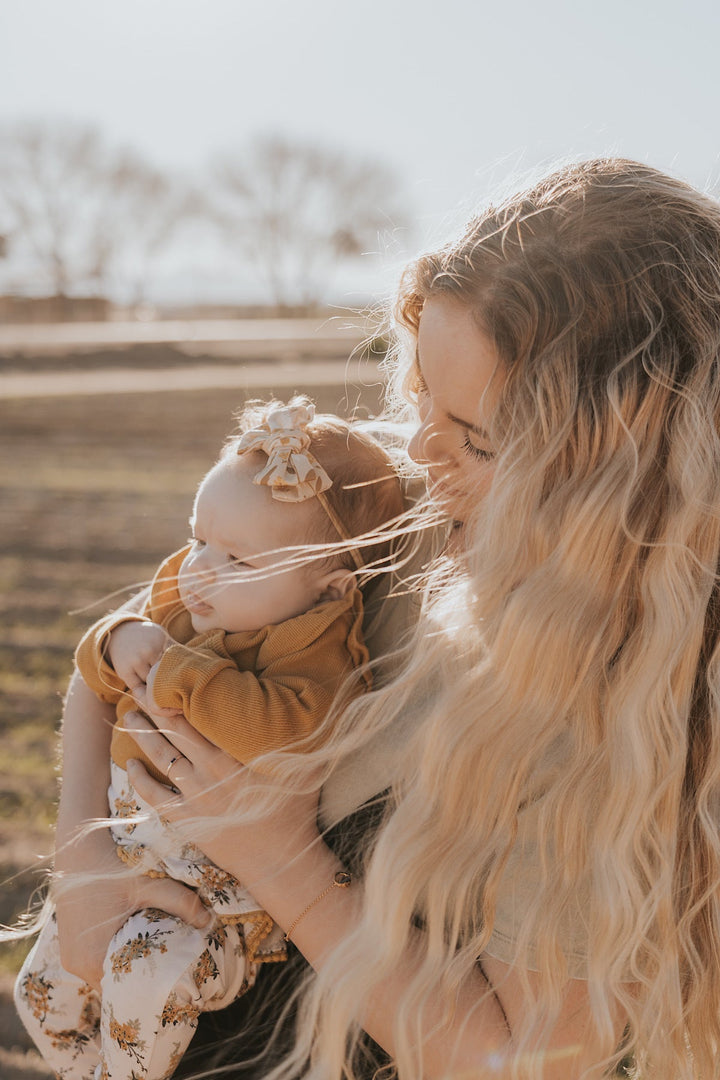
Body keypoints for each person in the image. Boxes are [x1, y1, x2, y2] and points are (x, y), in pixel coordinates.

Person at [25, 155, 720, 1080]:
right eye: (420, 391)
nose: (421, 451)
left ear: (612, 475)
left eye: (475, 436)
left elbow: (512, 1059)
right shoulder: (377, 511)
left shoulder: (639, 714)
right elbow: (108, 662)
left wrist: (281, 859)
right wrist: (86, 877)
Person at [13, 397, 406, 1080]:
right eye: (197, 537)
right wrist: (116, 638)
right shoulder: (198, 595)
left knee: (147, 989)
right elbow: (97, 672)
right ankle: (86, 1069)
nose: (199, 567)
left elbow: (281, 725)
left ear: (331, 586)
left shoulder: (317, 651)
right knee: (40, 992)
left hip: (212, 905)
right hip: (125, 849)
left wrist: (174, 669)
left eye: (238, 560)